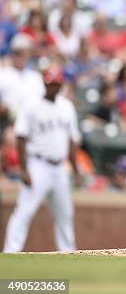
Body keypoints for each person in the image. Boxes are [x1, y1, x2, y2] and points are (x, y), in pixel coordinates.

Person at [3, 65, 83, 253]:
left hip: (59, 167)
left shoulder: (67, 107)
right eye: (49, 83)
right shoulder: (31, 105)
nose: (52, 87)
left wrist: (76, 170)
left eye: (55, 83)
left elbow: (72, 141)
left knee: (65, 214)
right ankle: (10, 252)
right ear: (43, 83)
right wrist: (24, 168)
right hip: (38, 164)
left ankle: (68, 252)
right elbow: (21, 137)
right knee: (24, 211)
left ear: (61, 84)